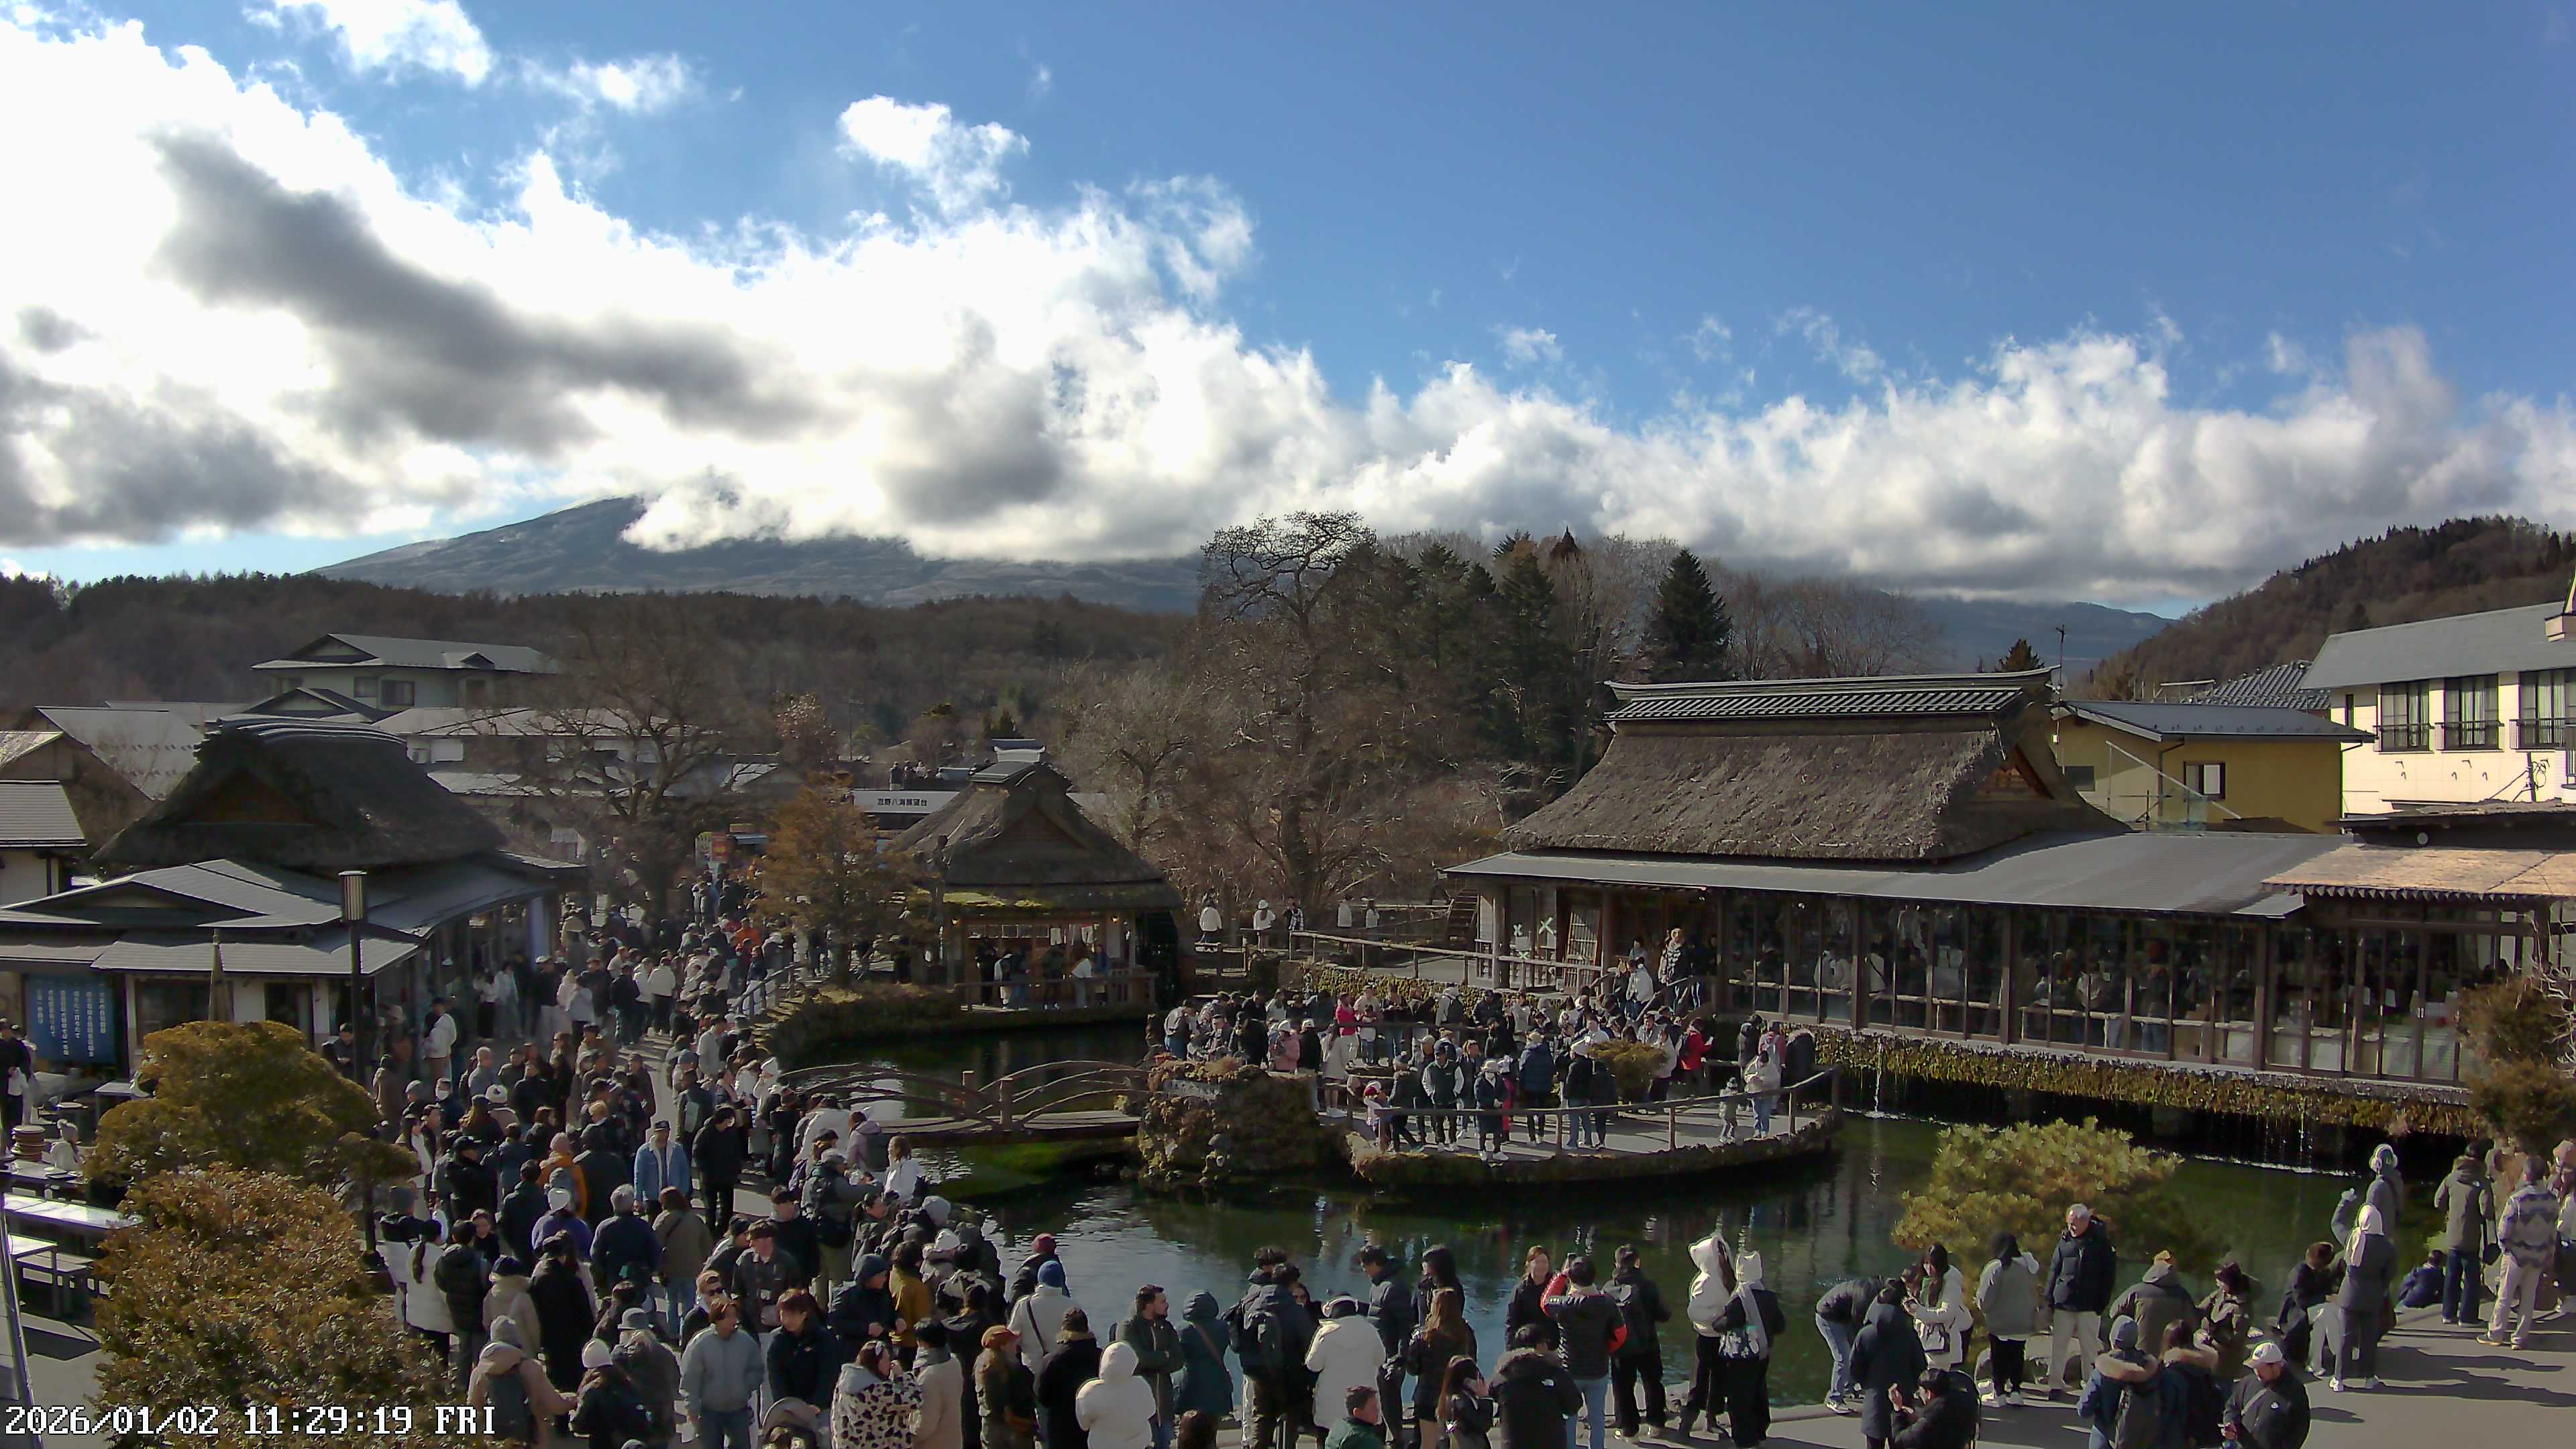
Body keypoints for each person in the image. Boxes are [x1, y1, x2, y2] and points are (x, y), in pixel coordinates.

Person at [1230, 1256, 1316, 1449]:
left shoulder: (1253, 1302)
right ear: (1293, 1283)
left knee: (1262, 1416)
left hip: (1258, 1370)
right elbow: (1309, 1342)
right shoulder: (1295, 1311)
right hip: (1289, 1372)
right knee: (1291, 1414)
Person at [2481, 1156, 2563, 1349]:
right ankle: (2519, 1337)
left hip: (2516, 1254)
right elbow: (2553, 1231)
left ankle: (2496, 1333)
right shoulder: (2552, 1200)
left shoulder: (2517, 1199)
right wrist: (2549, 1253)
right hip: (2538, 1255)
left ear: (2526, 1175)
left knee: (2505, 1295)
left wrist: (2506, 1248)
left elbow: (2504, 1230)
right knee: (2529, 1296)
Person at [1539, 1256, 1619, 1449]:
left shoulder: (1564, 1305)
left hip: (1570, 1370)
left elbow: (1545, 1302)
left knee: (1569, 1415)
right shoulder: (1607, 1304)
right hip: (1598, 1369)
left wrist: (1561, 1276)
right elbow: (1620, 1334)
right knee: (1597, 1417)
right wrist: (1607, 1350)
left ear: (1572, 1278)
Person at [1708, 1252, 1785, 1448]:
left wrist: (1715, 1322)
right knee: (1759, 1392)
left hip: (1741, 1357)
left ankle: (1745, 1440)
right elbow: (1780, 1326)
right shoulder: (1769, 1297)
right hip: (1763, 1353)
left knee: (1739, 1398)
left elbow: (1727, 1323)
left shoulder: (1740, 1298)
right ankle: (1760, 1431)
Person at [2046, 1203, 2118, 1399]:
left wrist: (2101, 1303)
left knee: (2089, 1348)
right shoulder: (2064, 1241)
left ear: (2086, 1222)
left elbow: (2108, 1276)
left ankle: (2089, 1385)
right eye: (2069, 1223)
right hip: (2064, 1302)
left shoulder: (2101, 1243)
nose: (2072, 1227)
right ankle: (2055, 1385)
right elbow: (2054, 1269)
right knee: (2059, 1347)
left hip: (2089, 1305)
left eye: (2075, 1224)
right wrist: (2049, 1296)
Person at [468, 1318, 573, 1444]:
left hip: (495, 1443)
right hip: (530, 1440)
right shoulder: (531, 1367)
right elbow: (556, 1406)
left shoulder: (480, 1372)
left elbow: (471, 1412)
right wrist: (573, 1400)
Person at [679, 1296, 764, 1449]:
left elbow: (757, 1369)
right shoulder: (701, 1343)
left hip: (738, 1409)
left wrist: (745, 1387)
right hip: (710, 1411)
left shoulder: (746, 1342)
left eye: (734, 1315)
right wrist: (692, 1409)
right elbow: (691, 1378)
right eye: (728, 1316)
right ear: (717, 1318)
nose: (733, 1320)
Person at [1605, 1245, 1668, 1440]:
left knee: (1622, 1387)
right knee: (1652, 1382)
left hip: (1621, 1346)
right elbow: (1663, 1315)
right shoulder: (1648, 1286)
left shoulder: (1608, 1289)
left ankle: (1628, 1429)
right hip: (1648, 1343)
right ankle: (1656, 1424)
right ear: (1637, 1263)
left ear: (1616, 1264)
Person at [1848, 1286, 1924, 1449]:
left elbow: (1855, 1367)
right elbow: (1920, 1366)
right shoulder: (1909, 1334)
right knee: (1902, 1443)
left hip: (1874, 1400)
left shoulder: (1866, 1334)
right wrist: (1910, 1387)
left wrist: (1868, 1384)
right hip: (1903, 1400)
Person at [2330, 1203, 2395, 1391]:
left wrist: (2344, 1202)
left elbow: (2336, 1223)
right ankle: (2368, 1377)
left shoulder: (2353, 1237)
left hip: (2349, 1296)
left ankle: (2339, 1379)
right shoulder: (2387, 1247)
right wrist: (2380, 1288)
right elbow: (2390, 1274)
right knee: (2368, 1339)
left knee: (2345, 1338)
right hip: (2372, 1298)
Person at [1307, 1297, 1385, 1448]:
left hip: (1331, 1400)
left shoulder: (1325, 1333)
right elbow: (1381, 1358)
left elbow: (1313, 1365)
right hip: (1363, 1400)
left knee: (1330, 1441)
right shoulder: (1370, 1330)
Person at [2075, 1317, 2163, 1449]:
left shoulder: (2103, 1370)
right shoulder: (2150, 1369)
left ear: (2113, 1339)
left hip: (2107, 1440)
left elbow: (2084, 1411)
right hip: (2143, 1439)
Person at [1975, 1234, 2041, 1406]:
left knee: (1999, 1356)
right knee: (2017, 1354)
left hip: (2000, 1322)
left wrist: (1984, 1309)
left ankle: (1999, 1392)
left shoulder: (1996, 1268)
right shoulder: (2029, 1266)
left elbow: (1985, 1297)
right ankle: (2016, 1391)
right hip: (2023, 1321)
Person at [1404, 1287, 1476, 1446]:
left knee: (1428, 1444)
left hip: (1428, 1397)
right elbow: (1471, 1363)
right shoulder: (1466, 1334)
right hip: (1455, 1398)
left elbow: (1412, 1369)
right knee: (1455, 1443)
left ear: (1434, 1307)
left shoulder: (1423, 1336)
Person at [1487, 1324, 1577, 1449]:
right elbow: (1574, 1405)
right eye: (1546, 1343)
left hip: (1514, 1443)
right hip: (1551, 1442)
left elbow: (1490, 1396)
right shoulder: (1553, 1372)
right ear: (1539, 1346)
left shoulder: (1502, 1377)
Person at [1117, 1286, 1185, 1449]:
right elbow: (1137, 1359)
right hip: (1138, 1405)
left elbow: (1178, 1360)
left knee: (1164, 1443)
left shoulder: (1166, 1327)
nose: (1167, 1305)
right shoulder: (1128, 1327)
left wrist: (1153, 1362)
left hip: (1163, 1404)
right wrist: (1164, 1356)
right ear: (1148, 1306)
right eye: (1162, 1302)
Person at [2100, 1250, 2194, 1362]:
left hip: (2141, 1356)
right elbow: (2193, 1324)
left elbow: (2113, 1313)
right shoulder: (2183, 1296)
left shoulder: (2136, 1291)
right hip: (2172, 1358)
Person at [833, 1340, 925, 1449]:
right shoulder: (877, 1390)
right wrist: (903, 1376)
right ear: (877, 1363)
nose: (890, 1364)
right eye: (887, 1359)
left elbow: (836, 1419)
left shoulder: (844, 1383)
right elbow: (915, 1401)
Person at [1036, 1308, 1104, 1449]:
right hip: (1093, 1428)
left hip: (1061, 1428)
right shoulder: (1102, 1358)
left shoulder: (1052, 1361)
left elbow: (1041, 1396)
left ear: (1064, 1330)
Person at [2220, 1341, 2309, 1449]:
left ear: (2276, 1366)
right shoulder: (2248, 1382)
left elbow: (2299, 1430)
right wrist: (2230, 1423)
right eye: (2255, 1367)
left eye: (2260, 1368)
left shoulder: (2294, 1392)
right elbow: (2232, 1407)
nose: (2256, 1372)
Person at [568, 1340, 654, 1449]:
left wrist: (572, 1412)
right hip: (635, 1443)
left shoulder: (592, 1389)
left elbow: (579, 1426)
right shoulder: (626, 1381)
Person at [1076, 1340, 1158, 1449]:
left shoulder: (1090, 1390)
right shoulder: (1140, 1385)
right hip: (1137, 1443)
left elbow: (1084, 1424)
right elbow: (1151, 1410)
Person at [1812, 1275, 1876, 1413]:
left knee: (1855, 1351)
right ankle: (1833, 1399)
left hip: (1842, 1315)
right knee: (1843, 1357)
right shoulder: (1864, 1297)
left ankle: (1848, 1388)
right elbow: (1859, 1324)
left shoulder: (1875, 1288)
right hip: (1827, 1316)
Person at [1012, 1260, 1084, 1379]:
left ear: (1039, 1279)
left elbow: (1013, 1337)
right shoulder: (1072, 1306)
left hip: (1031, 1370)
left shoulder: (1024, 1304)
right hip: (1062, 1370)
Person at [768, 1290, 839, 1411]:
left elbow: (829, 1374)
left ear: (804, 1314)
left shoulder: (823, 1338)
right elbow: (776, 1377)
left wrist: (817, 1404)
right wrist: (785, 1405)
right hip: (790, 1407)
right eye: (784, 1315)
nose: (787, 1320)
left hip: (821, 1407)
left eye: (792, 1315)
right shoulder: (778, 1341)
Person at [1173, 1292, 1235, 1428]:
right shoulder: (1223, 1327)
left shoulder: (1182, 1329)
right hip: (1217, 1381)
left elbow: (1176, 1356)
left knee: (1189, 1425)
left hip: (1189, 1382)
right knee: (1212, 1425)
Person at [1885, 1368, 1978, 1449]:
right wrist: (1919, 1417)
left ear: (1929, 1394)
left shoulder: (1930, 1421)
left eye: (1920, 1392)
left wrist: (1898, 1409)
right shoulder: (1966, 1403)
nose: (1919, 1395)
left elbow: (1899, 1440)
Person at [916, 1317, 969, 1449]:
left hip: (934, 1443)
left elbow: (926, 1423)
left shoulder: (928, 1377)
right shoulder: (954, 1362)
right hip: (953, 1439)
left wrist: (908, 1437)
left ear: (923, 1343)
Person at [1322, 1386, 1387, 1449]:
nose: (1378, 1410)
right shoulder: (1368, 1441)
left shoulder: (1338, 1426)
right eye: (1373, 1408)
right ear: (1357, 1412)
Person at [2363, 1142, 2404, 1233]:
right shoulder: (2398, 1183)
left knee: (2337, 1224)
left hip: (2377, 1237)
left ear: (2376, 1163)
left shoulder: (2376, 1187)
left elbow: (2367, 1218)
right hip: (2390, 1234)